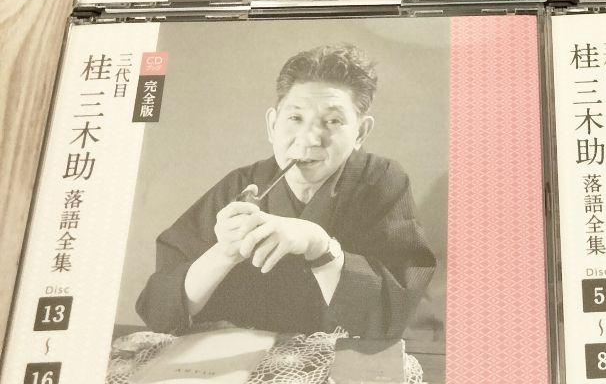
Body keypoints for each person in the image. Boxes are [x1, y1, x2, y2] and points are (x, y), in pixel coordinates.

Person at [136, 44, 435, 338]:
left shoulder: (381, 181)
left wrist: (320, 247)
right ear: (272, 125)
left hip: (337, 361)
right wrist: (224, 253)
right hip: (242, 359)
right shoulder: (241, 186)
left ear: (360, 132)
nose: (310, 138)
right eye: (295, 118)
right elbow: (159, 312)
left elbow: (394, 313)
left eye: (333, 121)